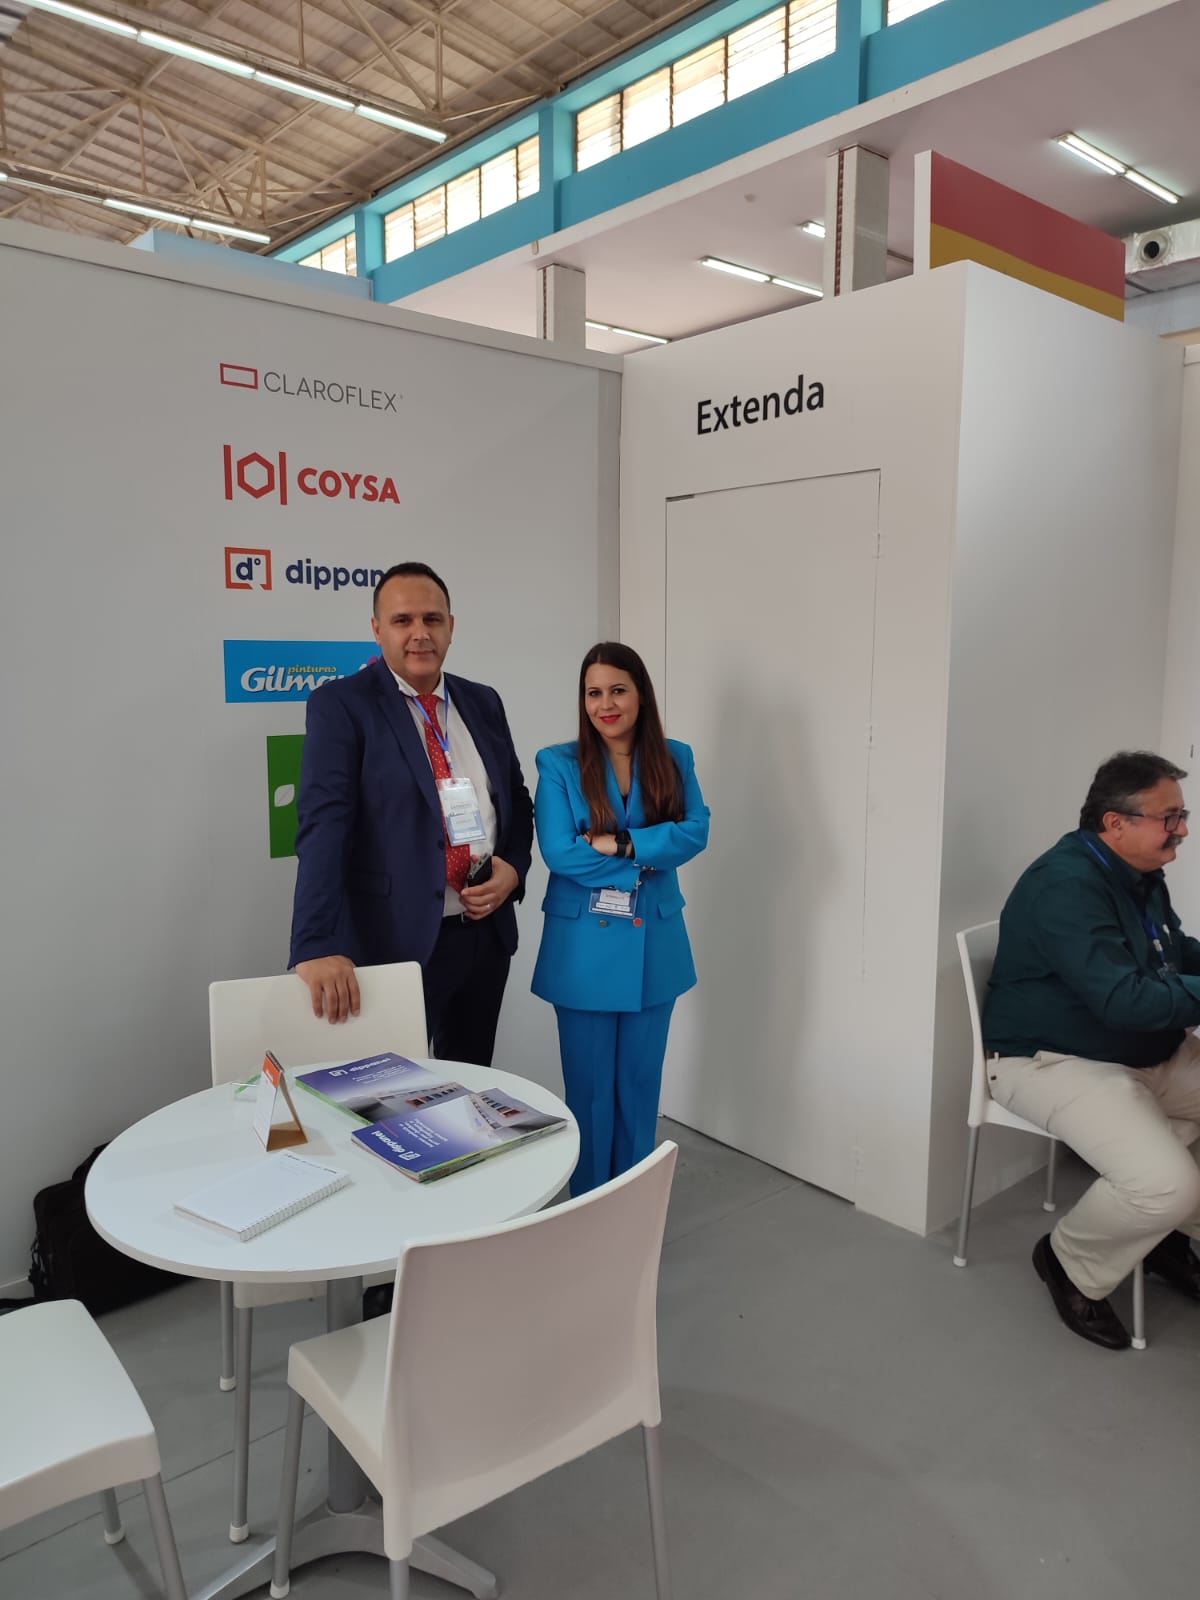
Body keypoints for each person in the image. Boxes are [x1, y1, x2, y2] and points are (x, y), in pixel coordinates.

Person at [983, 750, 1200, 1350]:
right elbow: (1125, 1001)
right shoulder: (1065, 886)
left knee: (1170, 1186)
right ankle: (1067, 1261)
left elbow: (1172, 951)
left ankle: (1164, 1239)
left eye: (1182, 815)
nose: (1182, 829)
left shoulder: (1139, 873)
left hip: (1141, 1050)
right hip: (1051, 1060)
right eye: (1171, 817)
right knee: (1164, 1183)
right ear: (1115, 822)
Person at [288, 561, 533, 1066]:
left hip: (484, 936)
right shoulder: (342, 705)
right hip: (392, 942)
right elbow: (324, 826)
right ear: (377, 629)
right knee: (390, 1092)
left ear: (451, 626)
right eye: (403, 620)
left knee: (469, 1083)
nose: (420, 633)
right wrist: (315, 942)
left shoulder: (482, 701)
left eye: (432, 619)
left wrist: (513, 868)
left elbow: (516, 798)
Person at [531, 642, 710, 1195]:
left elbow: (696, 831)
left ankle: (632, 1206)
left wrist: (623, 842)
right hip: (582, 950)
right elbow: (560, 852)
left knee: (639, 1086)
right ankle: (589, 1205)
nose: (605, 705)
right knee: (588, 1091)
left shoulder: (675, 758)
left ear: (640, 694)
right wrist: (646, 858)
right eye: (593, 693)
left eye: (617, 690)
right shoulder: (558, 763)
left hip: (655, 946)